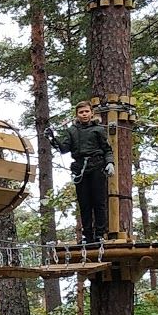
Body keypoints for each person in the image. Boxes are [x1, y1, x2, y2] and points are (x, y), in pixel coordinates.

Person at [51, 100, 114, 242]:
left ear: (91, 113)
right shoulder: (72, 131)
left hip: (97, 166)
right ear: (77, 114)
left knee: (99, 201)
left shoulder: (98, 129)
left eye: (86, 111)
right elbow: (64, 149)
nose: (84, 114)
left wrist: (110, 163)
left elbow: (107, 149)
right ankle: (87, 235)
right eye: (81, 112)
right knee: (84, 203)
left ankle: (99, 234)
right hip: (80, 169)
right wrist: (53, 139)